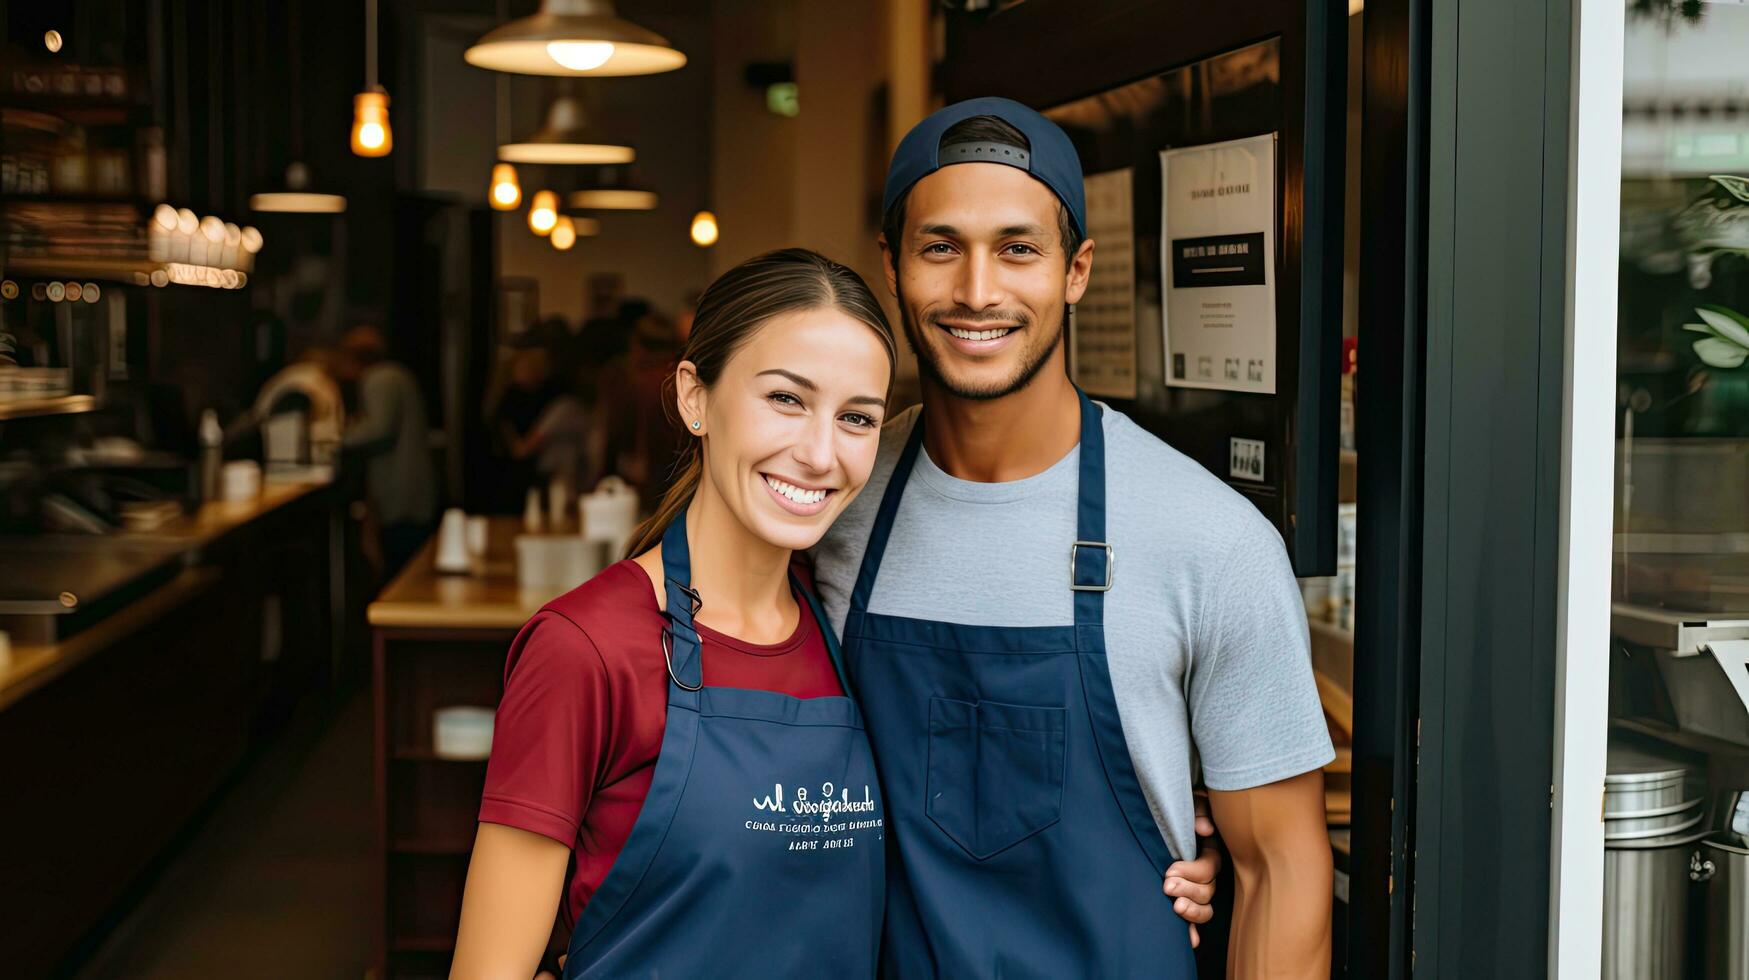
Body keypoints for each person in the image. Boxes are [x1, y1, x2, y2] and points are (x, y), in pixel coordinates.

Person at [808, 97, 1335, 977]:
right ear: (891, 267)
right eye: (940, 247)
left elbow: (1279, 868)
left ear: (1077, 270)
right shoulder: (827, 507)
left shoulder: (1211, 542)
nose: (977, 292)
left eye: (1018, 248)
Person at [451, 249, 899, 979]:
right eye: (785, 398)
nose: (820, 453)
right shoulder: (585, 649)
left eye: (856, 417)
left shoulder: (850, 634)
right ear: (695, 396)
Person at [335, 324, 437, 574]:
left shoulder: (380, 377)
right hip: (412, 489)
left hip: (402, 494)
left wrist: (334, 439)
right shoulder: (395, 374)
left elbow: (379, 428)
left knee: (402, 567)